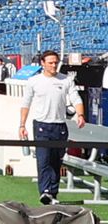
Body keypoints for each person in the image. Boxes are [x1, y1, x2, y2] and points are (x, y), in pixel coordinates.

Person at [19, 50, 85, 205]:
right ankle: (45, 191)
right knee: (43, 160)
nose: (54, 65)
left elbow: (76, 98)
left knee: (56, 162)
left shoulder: (65, 80)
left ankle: (52, 193)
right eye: (50, 62)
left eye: (55, 62)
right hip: (42, 125)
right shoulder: (34, 81)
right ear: (43, 63)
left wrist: (80, 115)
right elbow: (25, 103)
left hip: (60, 126)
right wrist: (22, 124)